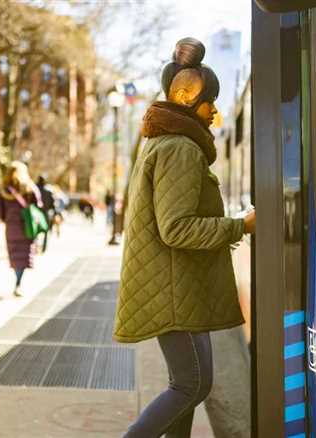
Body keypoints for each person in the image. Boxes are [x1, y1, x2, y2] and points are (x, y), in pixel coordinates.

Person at [114, 37, 256, 438]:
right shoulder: (180, 148)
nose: (215, 111)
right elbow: (176, 228)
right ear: (188, 99)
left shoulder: (164, 142)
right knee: (191, 384)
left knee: (189, 385)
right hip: (172, 287)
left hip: (177, 285)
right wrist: (240, 226)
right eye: (210, 101)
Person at [0, 162, 43, 297]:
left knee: (14, 253)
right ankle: (18, 282)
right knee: (24, 253)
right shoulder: (29, 187)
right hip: (27, 226)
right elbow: (38, 205)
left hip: (11, 226)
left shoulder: (4, 190)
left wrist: (7, 219)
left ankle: (17, 280)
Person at [36, 175, 55, 252]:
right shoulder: (48, 192)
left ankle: (35, 246)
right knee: (46, 230)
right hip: (45, 213)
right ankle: (43, 248)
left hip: (36, 213)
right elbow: (52, 205)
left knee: (35, 230)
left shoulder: (34, 190)